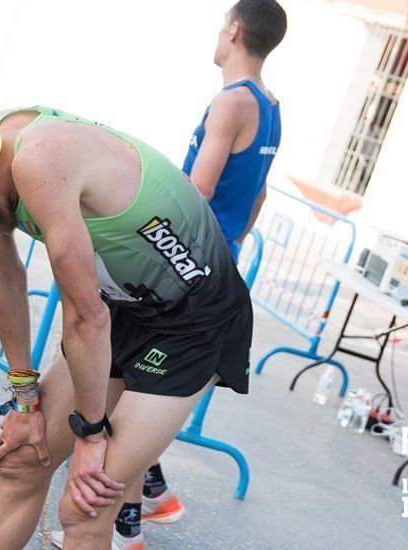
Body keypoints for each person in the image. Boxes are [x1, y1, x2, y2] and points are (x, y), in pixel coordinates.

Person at [0, 106, 253, 549]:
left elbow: (86, 318)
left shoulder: (37, 162)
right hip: (126, 304)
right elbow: (4, 275)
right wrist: (26, 402)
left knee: (85, 507)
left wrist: (91, 434)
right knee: (23, 462)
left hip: (195, 320)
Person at [112, 0, 287, 539]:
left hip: (182, 266)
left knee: (128, 389)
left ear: (234, 31)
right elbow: (256, 195)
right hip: (216, 260)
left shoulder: (232, 101)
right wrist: (230, 242)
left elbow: (199, 188)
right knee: (143, 389)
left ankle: (126, 522)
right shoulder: (272, 104)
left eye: (220, 26)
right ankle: (151, 497)